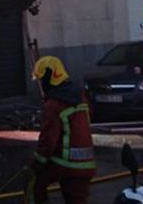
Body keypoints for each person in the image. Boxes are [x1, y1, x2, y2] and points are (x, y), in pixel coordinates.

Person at [28, 55, 96, 204]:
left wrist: (36, 163)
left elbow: (48, 141)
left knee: (34, 183)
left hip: (63, 163)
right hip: (87, 165)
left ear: (48, 79)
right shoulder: (80, 97)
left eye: (42, 80)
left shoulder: (53, 105)